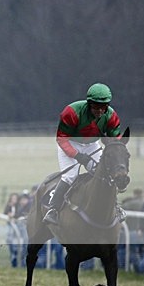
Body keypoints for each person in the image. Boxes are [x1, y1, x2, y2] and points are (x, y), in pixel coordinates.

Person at [43, 82, 124, 225]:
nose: (99, 111)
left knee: (105, 173)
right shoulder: (71, 112)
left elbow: (115, 139)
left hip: (92, 144)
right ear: (89, 103)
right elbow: (61, 139)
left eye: (103, 107)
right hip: (70, 143)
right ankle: (53, 209)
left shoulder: (111, 115)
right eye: (96, 107)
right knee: (70, 177)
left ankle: (116, 207)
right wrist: (78, 156)